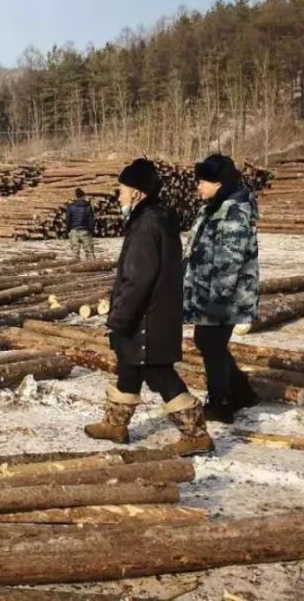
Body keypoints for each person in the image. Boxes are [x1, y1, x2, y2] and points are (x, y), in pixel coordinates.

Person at [85, 158, 214, 456]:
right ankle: (115, 424)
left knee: (158, 373)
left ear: (137, 193)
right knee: (129, 366)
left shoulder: (146, 224)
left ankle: (196, 434)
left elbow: (138, 279)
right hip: (154, 313)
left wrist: (119, 319)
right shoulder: (156, 218)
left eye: (121, 190)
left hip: (146, 317)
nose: (118, 196)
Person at [184, 154, 260, 423]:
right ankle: (242, 391)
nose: (198, 187)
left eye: (202, 182)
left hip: (226, 296)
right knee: (209, 343)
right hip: (210, 291)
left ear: (219, 183)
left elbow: (229, 261)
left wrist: (217, 301)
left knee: (210, 344)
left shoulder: (233, 212)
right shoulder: (214, 206)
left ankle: (221, 402)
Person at [66, 188, 96, 260]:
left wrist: (69, 229)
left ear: (76, 196)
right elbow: (91, 220)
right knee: (89, 251)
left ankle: (75, 265)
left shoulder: (71, 206)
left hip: (74, 230)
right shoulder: (88, 206)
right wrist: (91, 231)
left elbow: (68, 219)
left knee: (75, 252)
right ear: (83, 196)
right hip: (85, 230)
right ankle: (92, 265)